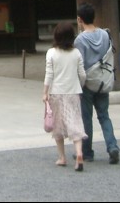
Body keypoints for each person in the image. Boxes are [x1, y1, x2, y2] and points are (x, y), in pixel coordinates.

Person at [74, 4, 120, 165]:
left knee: (87, 118)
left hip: (88, 82)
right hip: (103, 80)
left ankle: (87, 152)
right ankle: (112, 146)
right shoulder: (105, 34)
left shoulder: (80, 40)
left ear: (80, 19)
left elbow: (80, 64)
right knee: (104, 116)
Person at [43, 22, 87, 171]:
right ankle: (79, 153)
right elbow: (82, 74)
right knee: (75, 122)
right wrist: (80, 85)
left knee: (58, 126)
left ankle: (62, 157)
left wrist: (45, 92)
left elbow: (49, 75)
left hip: (56, 92)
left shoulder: (51, 53)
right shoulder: (76, 53)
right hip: (73, 91)